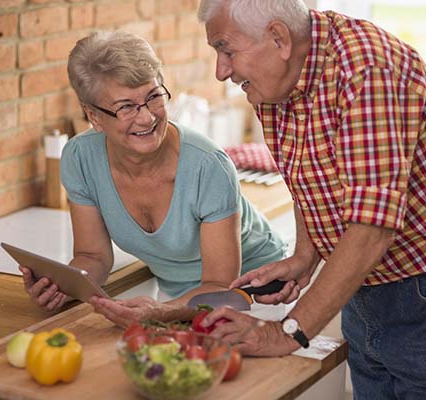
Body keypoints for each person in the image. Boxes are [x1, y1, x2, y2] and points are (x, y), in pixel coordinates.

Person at [196, 1, 426, 399]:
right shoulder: (276, 81)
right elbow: (308, 175)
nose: (221, 70)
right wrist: (305, 255)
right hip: (365, 291)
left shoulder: (368, 71)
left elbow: (372, 229)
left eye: (226, 50)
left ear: (278, 38)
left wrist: (287, 331)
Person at [19, 30, 288, 327]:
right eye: (126, 107)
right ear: (93, 116)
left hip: (252, 296)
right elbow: (92, 256)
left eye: (153, 97)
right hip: (177, 300)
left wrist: (160, 312)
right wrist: (62, 286)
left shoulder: (207, 166)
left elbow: (218, 286)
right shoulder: (80, 159)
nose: (146, 117)